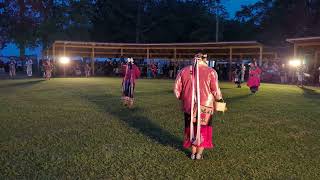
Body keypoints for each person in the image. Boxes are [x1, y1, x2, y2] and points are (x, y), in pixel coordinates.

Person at [174, 53, 222, 160]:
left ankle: (192, 153)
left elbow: (177, 90)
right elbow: (215, 90)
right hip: (206, 106)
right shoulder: (211, 72)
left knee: (191, 128)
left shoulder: (184, 71)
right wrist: (219, 99)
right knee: (203, 129)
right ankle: (199, 154)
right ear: (205, 59)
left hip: (189, 106)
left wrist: (183, 97)